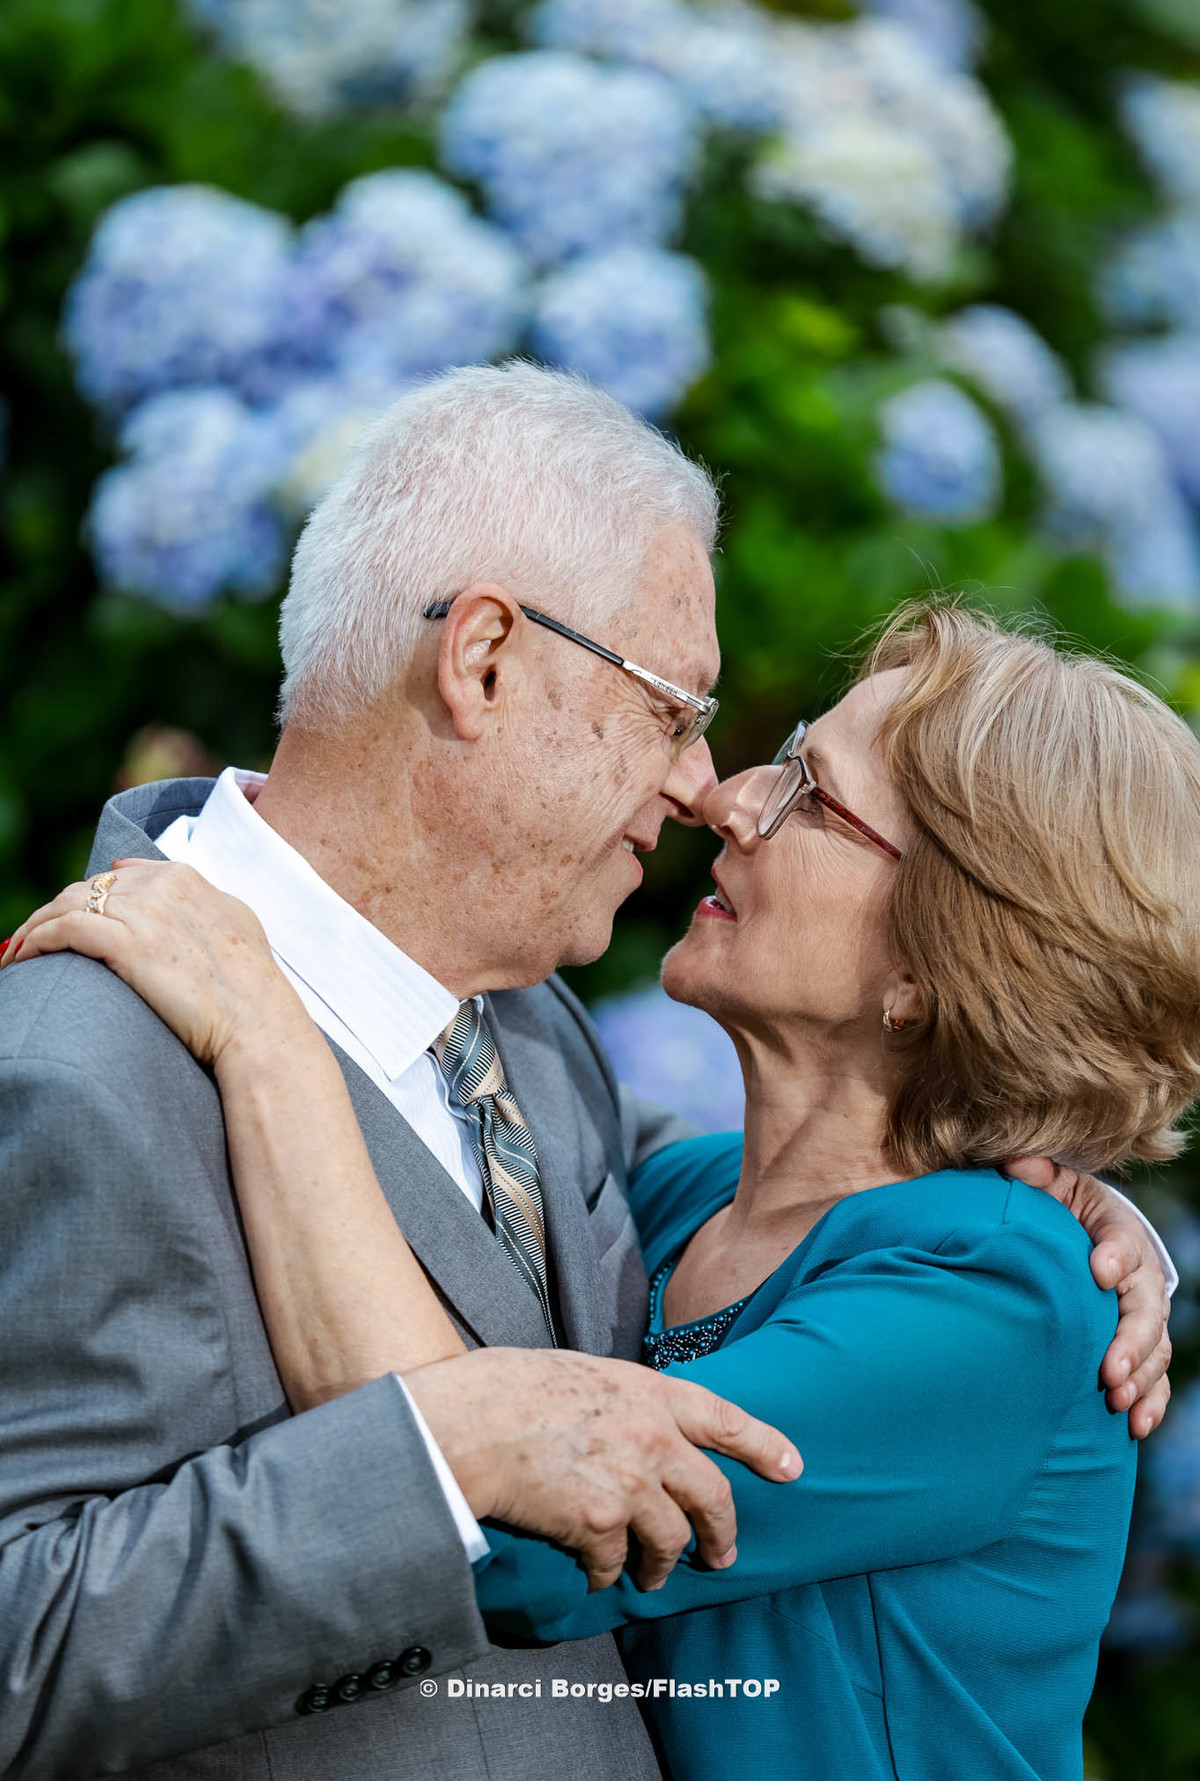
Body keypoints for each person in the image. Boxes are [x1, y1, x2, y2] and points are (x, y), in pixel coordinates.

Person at [0, 370, 1171, 1781]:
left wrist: (1083, 1215)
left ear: (934, 964)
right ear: (482, 658)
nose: (712, 789)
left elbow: (531, 1507)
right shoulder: (84, 1067)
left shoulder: (537, 1049)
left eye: (804, 788)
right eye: (681, 712)